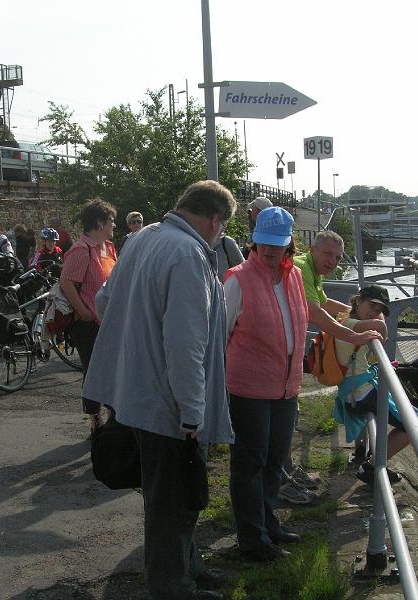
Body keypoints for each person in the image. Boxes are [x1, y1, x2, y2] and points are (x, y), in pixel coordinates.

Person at [83, 180, 236, 600]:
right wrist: (192, 413)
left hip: (136, 393)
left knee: (168, 494)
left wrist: (137, 340)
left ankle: (188, 566)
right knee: (173, 501)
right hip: (169, 406)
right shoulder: (188, 254)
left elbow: (104, 302)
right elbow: (186, 346)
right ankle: (173, 588)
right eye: (223, 228)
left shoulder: (143, 237)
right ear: (216, 220)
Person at [223, 206, 309, 563]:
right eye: (263, 242)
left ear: (289, 244)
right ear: (254, 241)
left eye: (277, 243)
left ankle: (268, 524)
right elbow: (220, 333)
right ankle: (252, 539)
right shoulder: (238, 279)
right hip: (248, 388)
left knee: (274, 461)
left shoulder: (294, 276)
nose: (269, 250)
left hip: (286, 386)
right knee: (250, 464)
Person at [280, 231, 382, 503]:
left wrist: (358, 316)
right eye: (327, 253)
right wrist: (354, 333)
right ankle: (281, 479)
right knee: (282, 415)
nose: (332, 261)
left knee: (288, 412)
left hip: (286, 349)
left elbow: (325, 303)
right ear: (312, 249)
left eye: (337, 257)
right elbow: (315, 312)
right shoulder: (301, 268)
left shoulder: (312, 270)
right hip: (276, 350)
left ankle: (285, 471)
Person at [332, 285, 418, 485]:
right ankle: (371, 467)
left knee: (416, 417)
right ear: (358, 300)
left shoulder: (350, 319)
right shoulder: (350, 323)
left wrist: (375, 317)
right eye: (372, 306)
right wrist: (382, 328)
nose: (374, 313)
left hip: (359, 389)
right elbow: (381, 326)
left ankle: (375, 461)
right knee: (417, 425)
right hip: (359, 394)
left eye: (379, 310)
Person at [59, 199, 117, 435]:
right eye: (111, 220)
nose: (114, 224)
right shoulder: (81, 250)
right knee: (94, 372)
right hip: (88, 324)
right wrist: (83, 312)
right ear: (99, 223)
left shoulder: (109, 248)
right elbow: (66, 282)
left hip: (109, 322)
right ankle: (95, 419)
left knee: (113, 369)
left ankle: (113, 417)